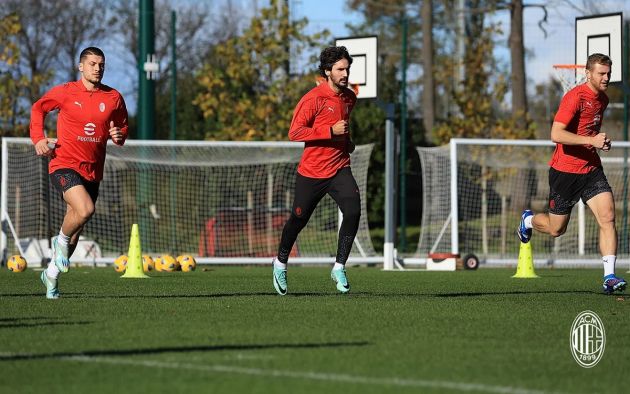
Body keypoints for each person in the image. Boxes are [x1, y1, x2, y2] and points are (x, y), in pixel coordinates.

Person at [517, 53, 626, 294]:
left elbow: (589, 134)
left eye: (608, 73)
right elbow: (556, 134)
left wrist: (600, 143)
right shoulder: (574, 97)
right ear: (588, 74)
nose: (606, 77)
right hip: (564, 172)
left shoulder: (603, 100)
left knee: (608, 216)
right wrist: (590, 140)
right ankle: (527, 221)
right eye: (601, 73)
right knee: (557, 230)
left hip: (591, 170)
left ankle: (609, 276)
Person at [30, 47, 128, 299]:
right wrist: (38, 138)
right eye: (93, 63)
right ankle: (59, 242)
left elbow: (122, 128)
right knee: (85, 210)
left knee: (76, 227)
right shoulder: (65, 92)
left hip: (93, 171)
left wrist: (119, 135)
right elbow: (38, 109)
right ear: (80, 66)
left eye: (101, 64)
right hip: (64, 163)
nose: (97, 68)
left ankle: (51, 275)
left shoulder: (114, 97)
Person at [272, 46, 359, 295]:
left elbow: (344, 128)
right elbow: (295, 132)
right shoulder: (313, 99)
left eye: (347, 69)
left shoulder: (349, 98)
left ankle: (339, 267)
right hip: (312, 172)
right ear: (327, 71)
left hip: (340, 167)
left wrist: (347, 142)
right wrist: (330, 132)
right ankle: (280, 263)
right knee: (299, 219)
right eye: (340, 69)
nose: (345, 73)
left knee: (353, 210)